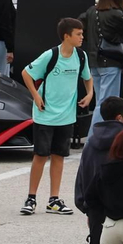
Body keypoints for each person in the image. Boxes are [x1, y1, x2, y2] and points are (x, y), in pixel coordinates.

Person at [19, 17, 94, 216]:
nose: (82, 37)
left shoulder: (81, 56)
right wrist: (35, 96)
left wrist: (89, 93)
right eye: (78, 34)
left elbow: (87, 77)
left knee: (59, 156)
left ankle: (54, 199)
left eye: (82, 33)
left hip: (67, 116)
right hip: (45, 114)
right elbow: (26, 73)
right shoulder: (50, 55)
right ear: (66, 36)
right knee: (40, 156)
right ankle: (31, 198)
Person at [75, 97, 123, 244]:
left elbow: (83, 174)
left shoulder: (91, 142)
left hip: (96, 210)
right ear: (119, 117)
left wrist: (86, 206)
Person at [87, 0, 123, 135]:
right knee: (107, 103)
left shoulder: (92, 11)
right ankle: (96, 139)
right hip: (111, 61)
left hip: (94, 60)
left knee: (99, 102)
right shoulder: (116, 13)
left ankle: (95, 139)